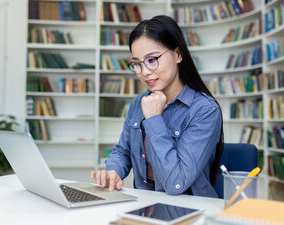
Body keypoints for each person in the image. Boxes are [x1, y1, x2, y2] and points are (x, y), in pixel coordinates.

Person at [90, 15, 224, 198]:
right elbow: (123, 150)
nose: (144, 72)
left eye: (152, 59)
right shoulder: (139, 102)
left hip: (190, 209)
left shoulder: (205, 110)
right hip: (145, 205)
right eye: (137, 63)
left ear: (178, 54)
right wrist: (113, 172)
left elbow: (177, 183)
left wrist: (154, 120)